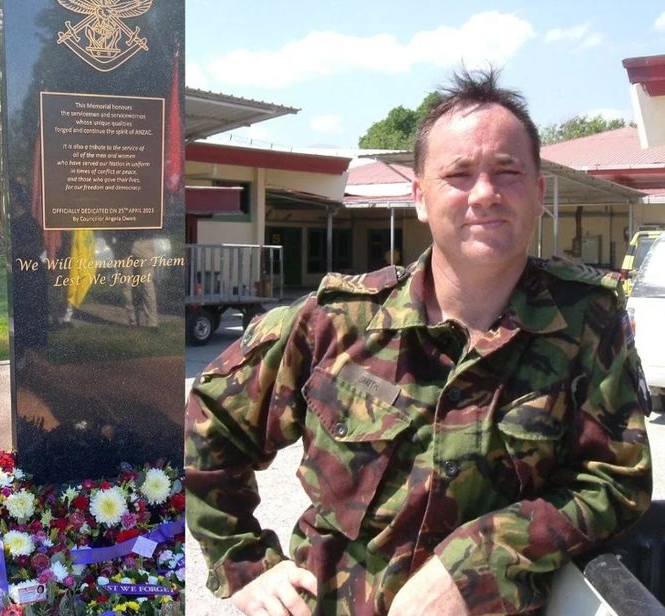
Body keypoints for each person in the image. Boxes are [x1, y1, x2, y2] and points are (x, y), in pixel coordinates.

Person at [184, 68, 653, 616]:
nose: (485, 194)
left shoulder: (586, 323)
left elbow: (615, 481)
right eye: (458, 174)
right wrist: (244, 566)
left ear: (538, 190)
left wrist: (479, 563)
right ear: (420, 197)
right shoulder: (338, 322)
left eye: (508, 171)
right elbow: (208, 425)